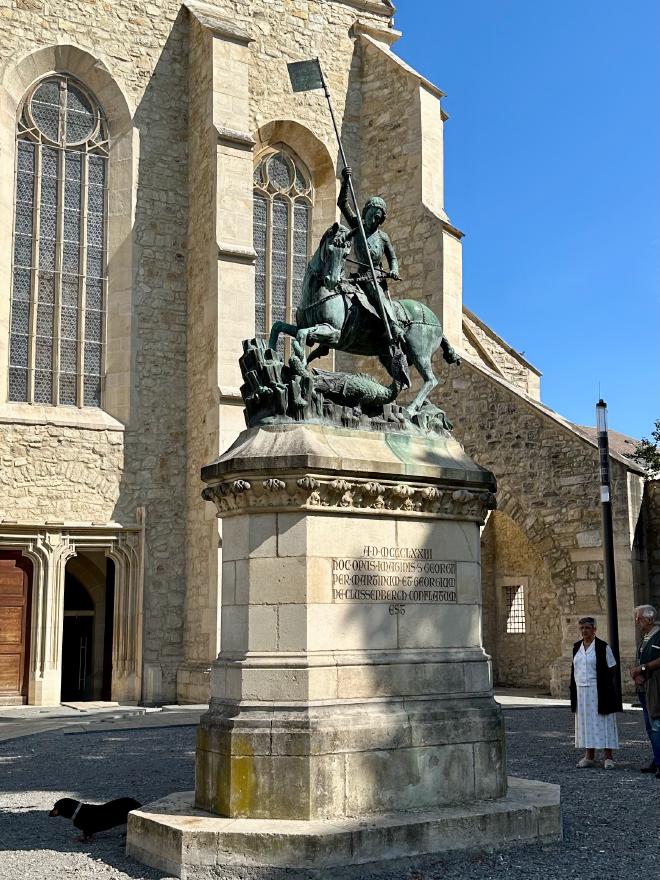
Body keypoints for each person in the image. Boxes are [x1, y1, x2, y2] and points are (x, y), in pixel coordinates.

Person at [337, 166, 404, 343]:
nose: (373, 220)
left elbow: (392, 257)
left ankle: (393, 325)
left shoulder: (383, 237)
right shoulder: (357, 225)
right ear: (365, 213)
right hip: (359, 275)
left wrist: (394, 270)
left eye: (378, 217)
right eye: (371, 215)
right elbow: (342, 204)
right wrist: (346, 181)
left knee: (377, 295)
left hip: (375, 276)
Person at [570, 616, 621, 768]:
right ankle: (589, 756)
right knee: (586, 723)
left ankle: (608, 757)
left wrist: (604, 683)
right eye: (582, 628)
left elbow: (612, 667)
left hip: (599, 690)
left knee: (603, 721)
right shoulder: (576, 647)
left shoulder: (602, 647)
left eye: (587, 628)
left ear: (594, 629)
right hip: (581, 691)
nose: (584, 630)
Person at [629, 605, 660, 778]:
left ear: (649, 619)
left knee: (656, 725)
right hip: (644, 687)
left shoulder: (658, 636)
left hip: (656, 687)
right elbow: (638, 660)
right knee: (650, 727)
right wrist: (636, 674)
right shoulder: (645, 638)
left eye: (639, 618)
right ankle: (657, 759)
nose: (636, 622)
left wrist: (642, 668)